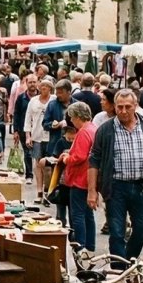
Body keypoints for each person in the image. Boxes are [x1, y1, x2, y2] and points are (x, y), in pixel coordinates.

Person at [89, 89, 143, 268]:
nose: (123, 111)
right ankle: (118, 272)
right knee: (116, 232)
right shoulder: (106, 129)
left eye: (128, 107)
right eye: (119, 107)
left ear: (135, 106)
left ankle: (126, 262)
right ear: (114, 106)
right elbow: (94, 160)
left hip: (142, 184)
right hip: (115, 187)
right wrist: (92, 191)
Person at [60, 102, 96, 252]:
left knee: (78, 214)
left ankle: (80, 245)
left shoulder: (83, 131)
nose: (71, 121)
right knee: (88, 214)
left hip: (79, 177)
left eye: (72, 118)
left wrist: (67, 158)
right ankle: (90, 245)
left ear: (78, 116)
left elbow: (79, 156)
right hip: (88, 177)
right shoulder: (93, 128)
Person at [12, 74, 38, 184]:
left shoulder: (42, 97)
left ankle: (39, 175)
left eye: (34, 82)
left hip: (38, 130)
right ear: (26, 83)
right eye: (30, 82)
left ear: (37, 83)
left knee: (38, 153)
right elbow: (16, 114)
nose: (32, 84)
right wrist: (16, 131)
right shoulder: (21, 98)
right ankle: (29, 175)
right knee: (27, 153)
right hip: (23, 129)